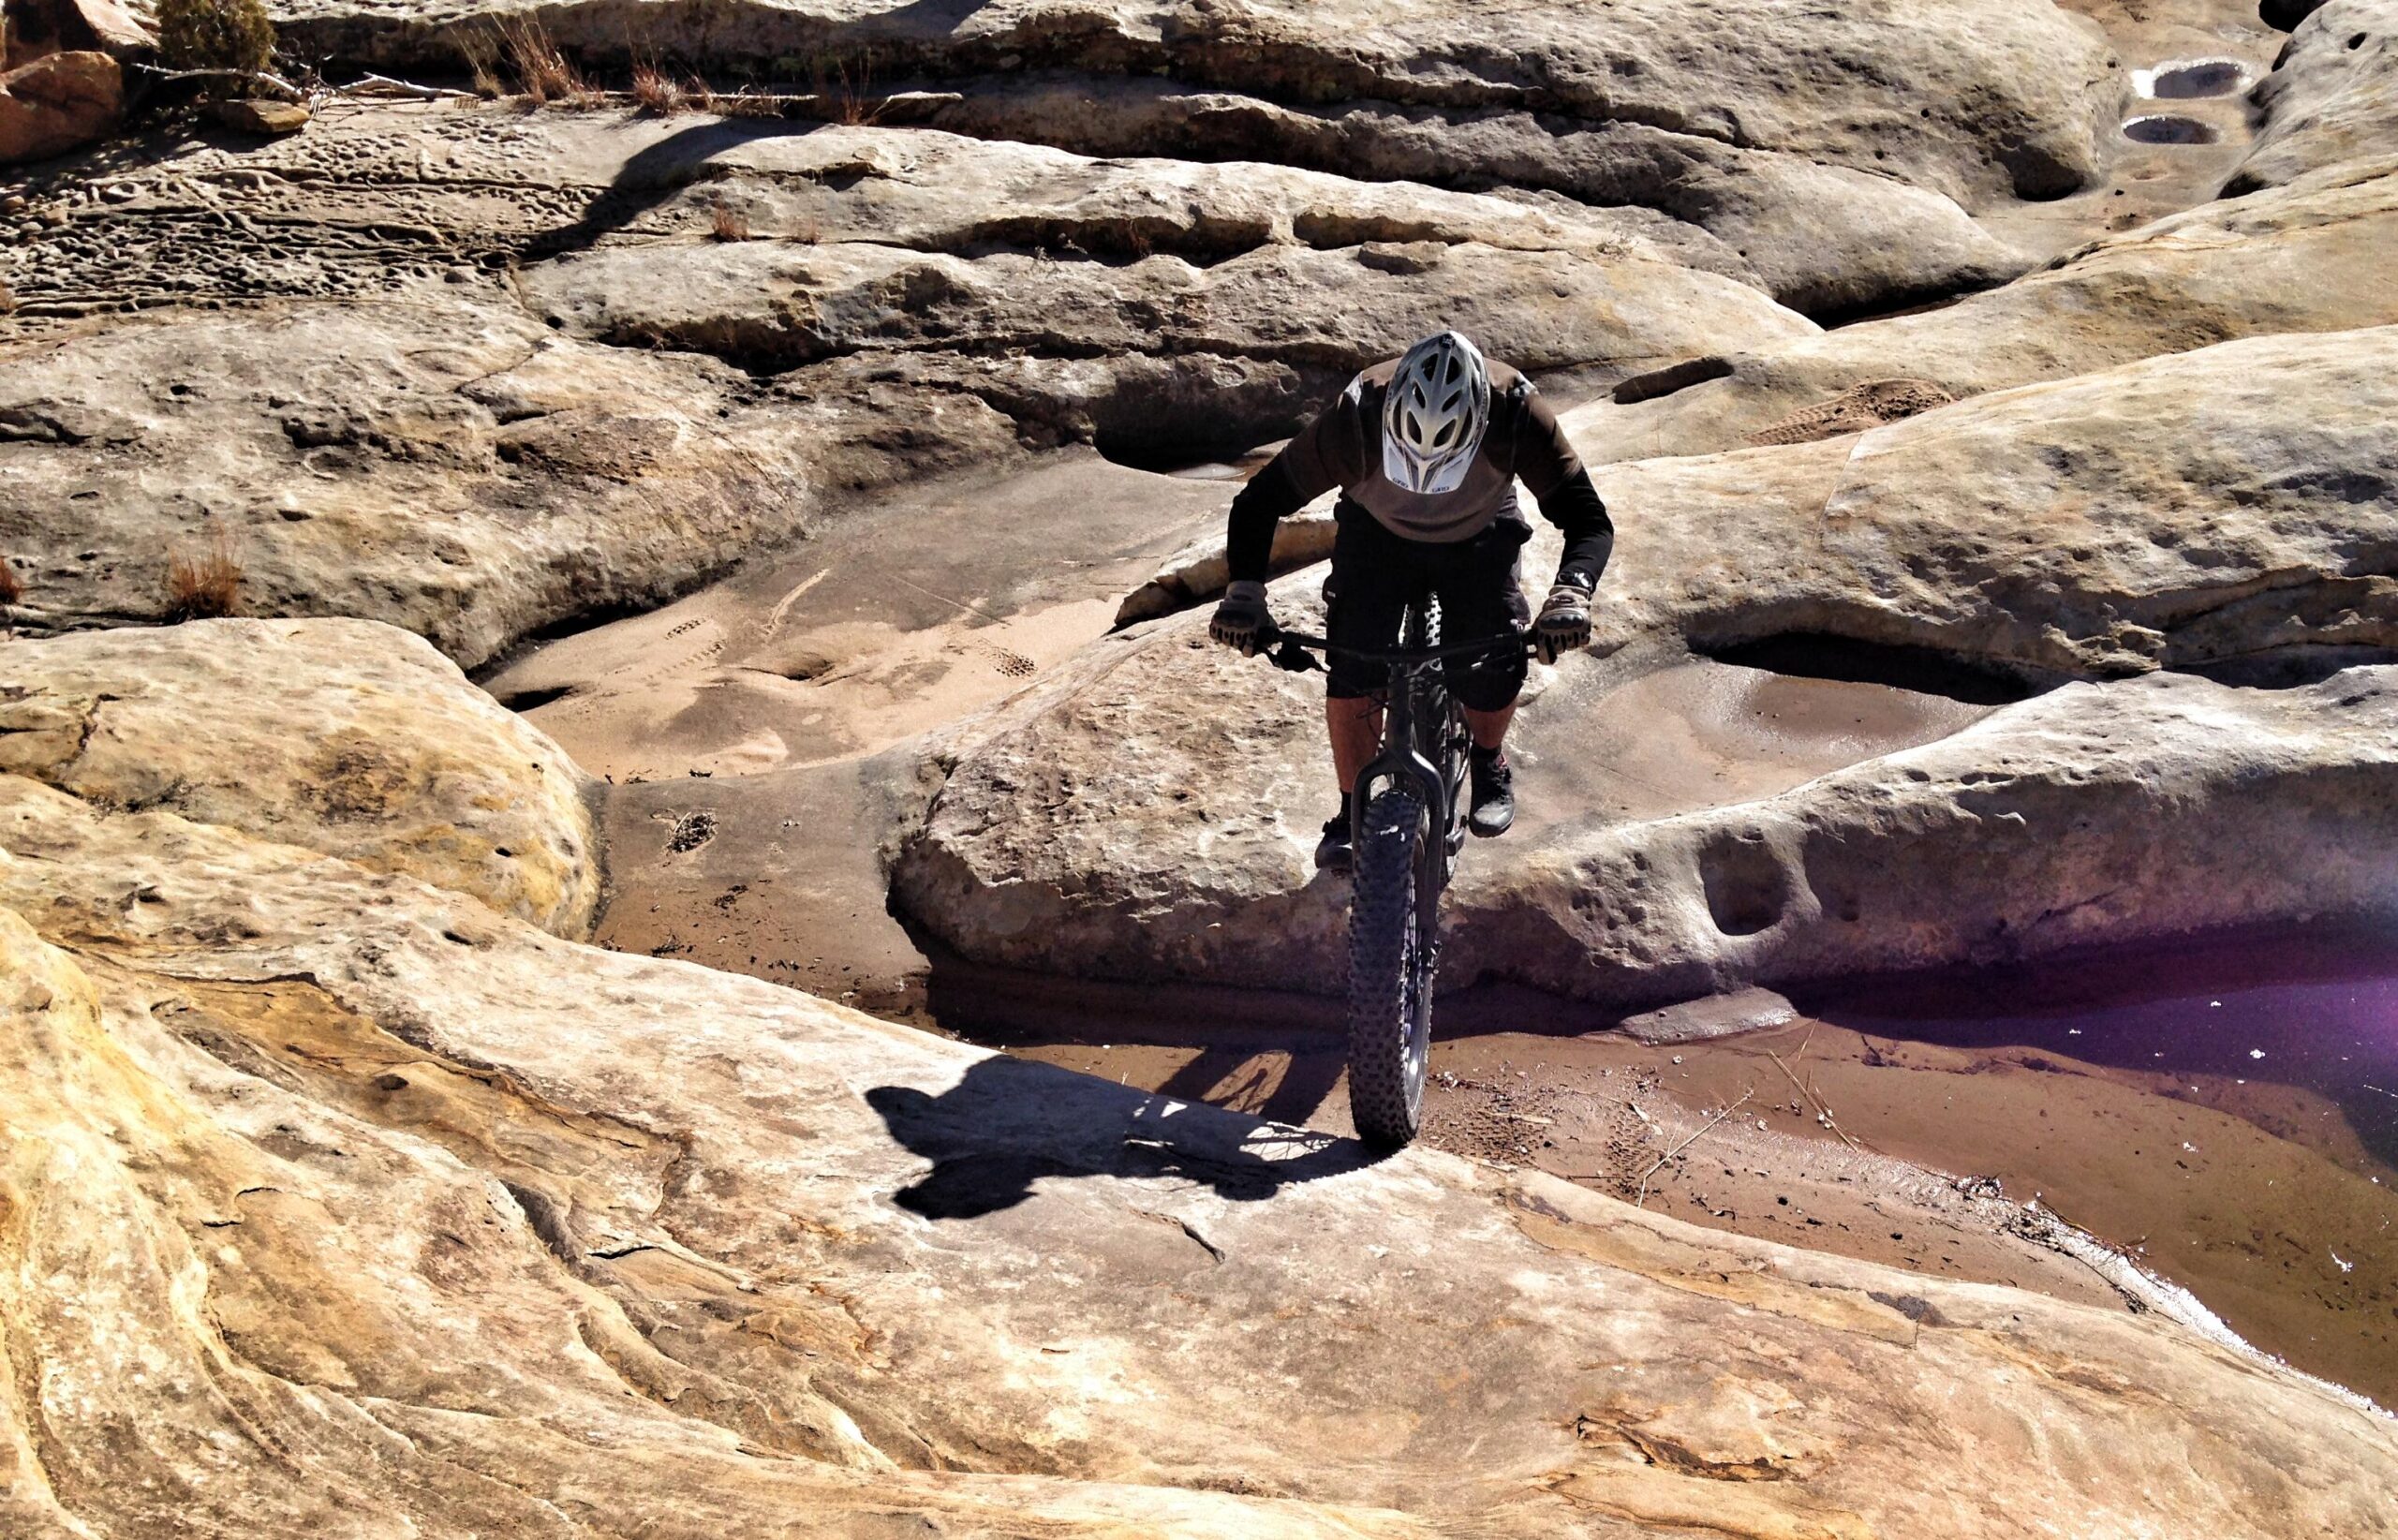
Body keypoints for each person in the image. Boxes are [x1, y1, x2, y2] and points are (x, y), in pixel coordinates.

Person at [1206, 330, 1614, 871]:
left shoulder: (1516, 413)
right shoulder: (1356, 417)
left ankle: (1488, 760)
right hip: (1377, 532)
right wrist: (1245, 594)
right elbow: (1258, 504)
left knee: (1492, 659)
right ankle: (1352, 807)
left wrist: (1570, 593)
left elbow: (1588, 520)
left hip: (1478, 532)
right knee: (1353, 664)